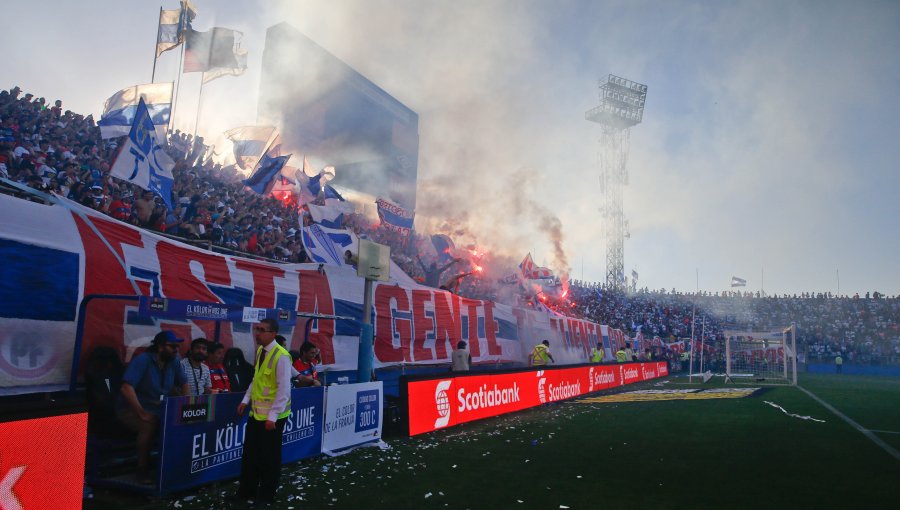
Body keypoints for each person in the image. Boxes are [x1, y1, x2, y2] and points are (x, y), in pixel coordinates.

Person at [117, 331, 189, 483]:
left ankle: (173, 468)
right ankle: (141, 469)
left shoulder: (174, 361)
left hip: (159, 408)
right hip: (131, 409)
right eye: (172, 346)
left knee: (181, 421)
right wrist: (141, 412)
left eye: (177, 346)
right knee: (148, 424)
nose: (176, 349)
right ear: (160, 347)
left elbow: (184, 383)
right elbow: (126, 388)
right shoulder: (143, 360)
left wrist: (187, 405)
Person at [235, 318, 292, 506]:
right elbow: (256, 379)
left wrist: (273, 416)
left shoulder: (281, 355)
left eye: (261, 330)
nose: (257, 333)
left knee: (269, 458)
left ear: (273, 333)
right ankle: (246, 492)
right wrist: (245, 400)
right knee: (250, 455)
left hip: (272, 419)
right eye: (256, 329)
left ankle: (266, 496)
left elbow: (284, 390)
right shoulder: (261, 351)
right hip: (256, 414)